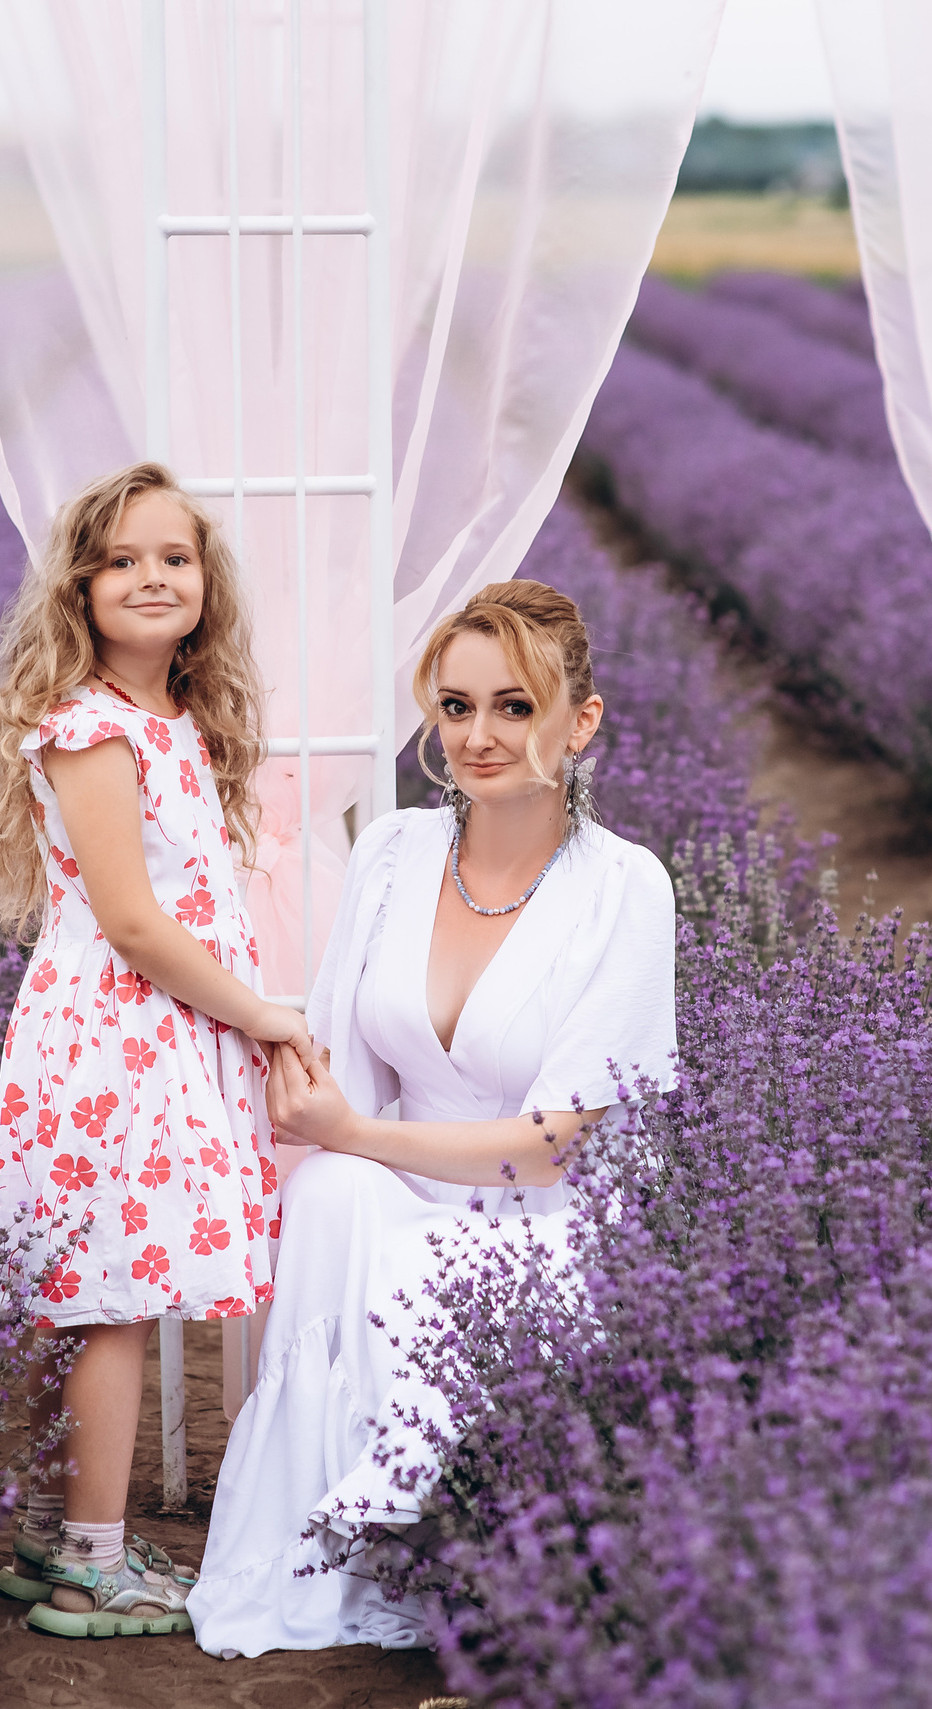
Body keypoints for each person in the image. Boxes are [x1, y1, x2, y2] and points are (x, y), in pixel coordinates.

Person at [188, 580, 678, 1658]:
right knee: (329, 1191)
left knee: (351, 1176)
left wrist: (356, 1137)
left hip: (551, 1223)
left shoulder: (623, 886)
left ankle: (441, 1530)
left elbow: (554, 1146)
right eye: (456, 706)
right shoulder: (394, 852)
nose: (478, 735)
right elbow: (337, 1079)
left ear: (580, 722)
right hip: (398, 1197)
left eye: (514, 705)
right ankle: (332, 1543)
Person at [0, 461, 317, 1640]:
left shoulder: (175, 723)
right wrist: (263, 1013)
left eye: (174, 556)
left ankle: (53, 1528)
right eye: (120, 559)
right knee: (103, 1297)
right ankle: (93, 1562)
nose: (151, 576)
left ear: (206, 582)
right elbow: (131, 920)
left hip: (150, 1031)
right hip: (114, 1037)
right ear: (80, 587)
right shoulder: (90, 727)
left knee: (94, 1289)